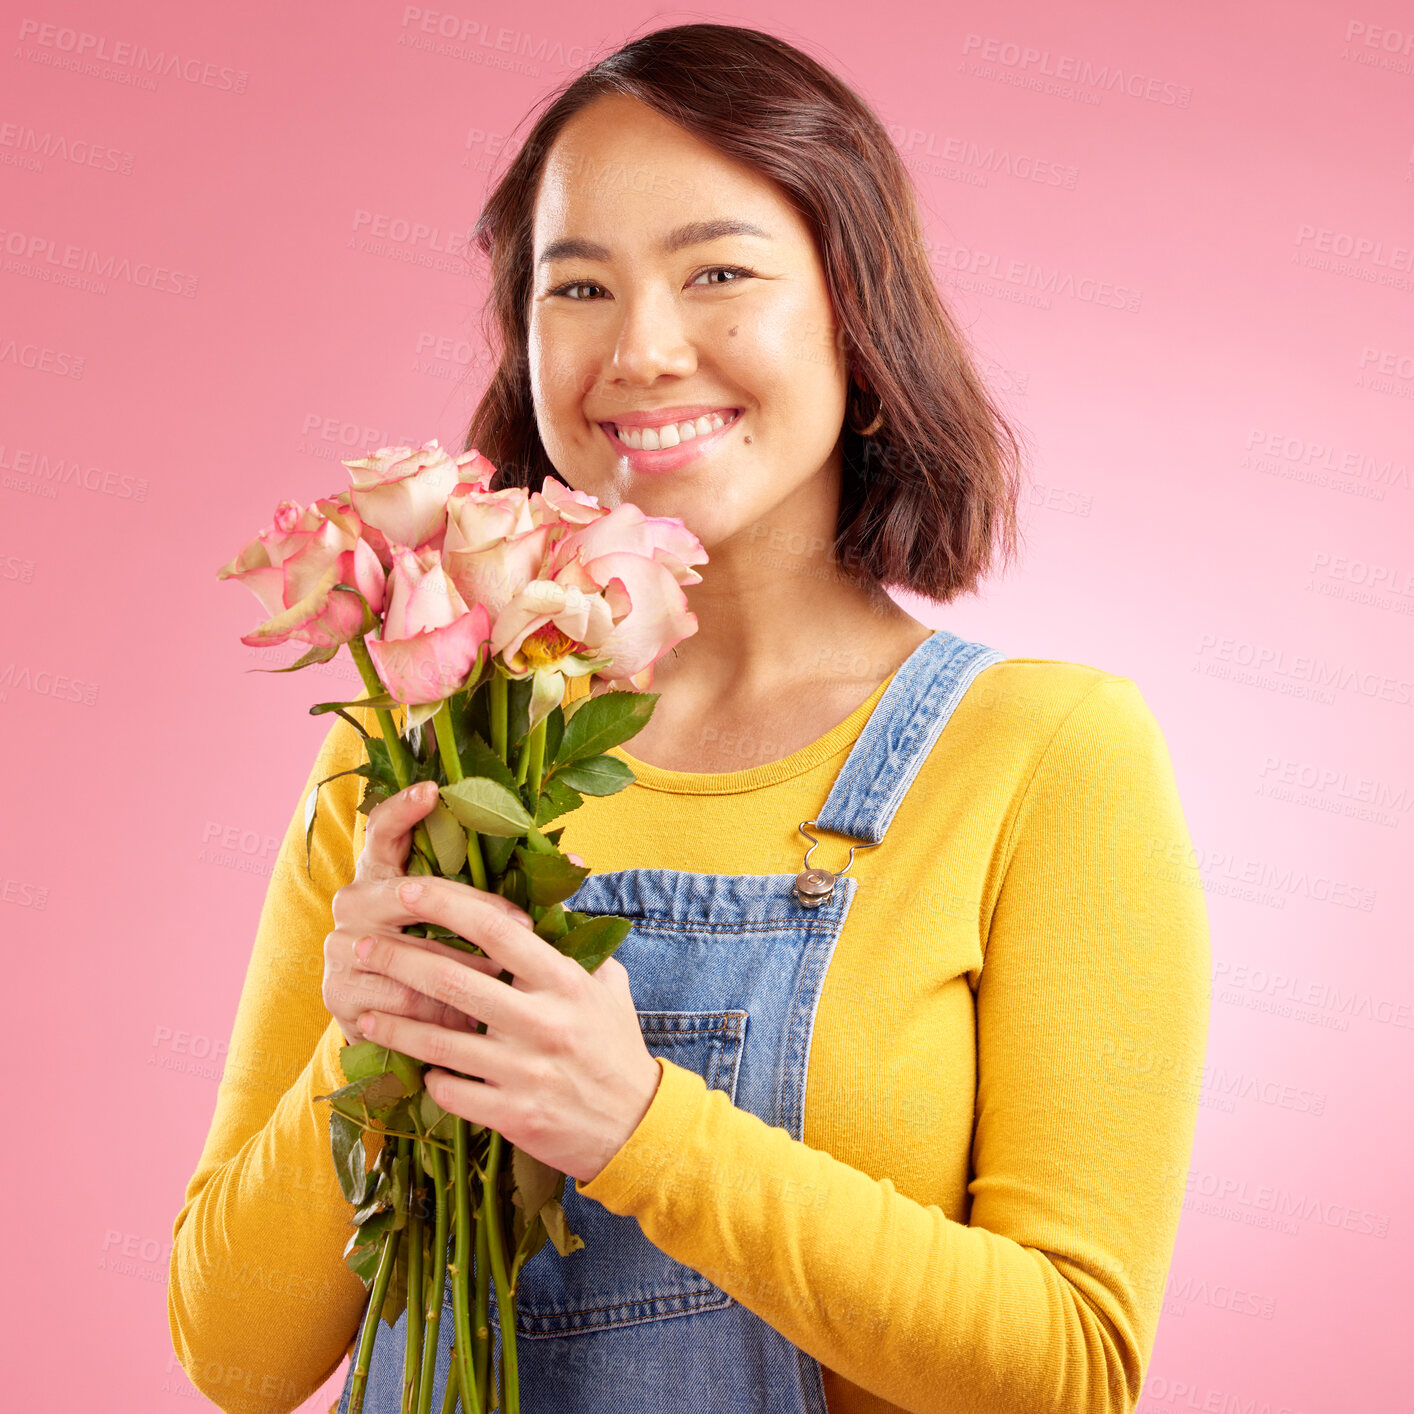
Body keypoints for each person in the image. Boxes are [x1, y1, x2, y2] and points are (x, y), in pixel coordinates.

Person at [169, 22, 1210, 1414]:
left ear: (855, 312)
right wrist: (364, 1048)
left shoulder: (1046, 756)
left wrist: (638, 1128)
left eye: (717, 272)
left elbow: (1068, 1370)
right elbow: (234, 1358)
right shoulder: (419, 756)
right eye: (579, 286)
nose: (643, 349)